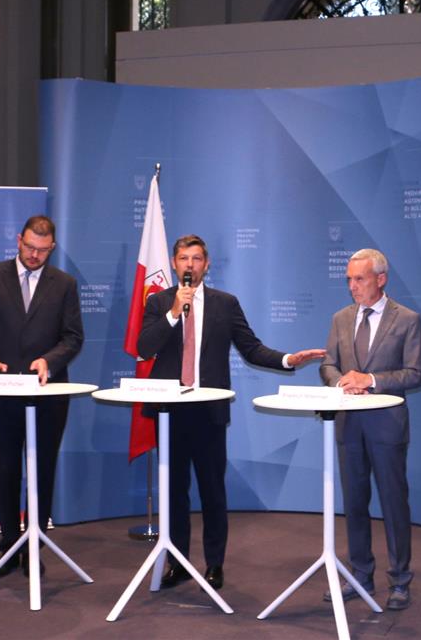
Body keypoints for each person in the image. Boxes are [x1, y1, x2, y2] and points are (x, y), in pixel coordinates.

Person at [137, 234, 324, 591]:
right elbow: (144, 348)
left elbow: (251, 348)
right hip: (169, 412)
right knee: (174, 492)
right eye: (183, 259)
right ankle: (177, 562)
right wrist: (174, 313)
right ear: (174, 264)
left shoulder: (225, 304)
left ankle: (214, 564)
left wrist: (288, 359)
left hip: (208, 412)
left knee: (212, 491)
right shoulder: (158, 301)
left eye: (196, 259)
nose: (190, 265)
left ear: (206, 265)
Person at [0, 215, 84, 578]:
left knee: (42, 470)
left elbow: (73, 337)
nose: (34, 255)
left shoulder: (64, 284)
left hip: (48, 393)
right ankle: (8, 545)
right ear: (18, 240)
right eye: (30, 247)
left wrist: (49, 360)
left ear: (52, 248)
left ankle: (34, 547)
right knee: (6, 470)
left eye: (43, 250)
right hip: (1, 391)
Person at [320, 248, 421, 610]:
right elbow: (328, 365)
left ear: (381, 279)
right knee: (354, 503)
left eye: (359, 279)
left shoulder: (407, 319)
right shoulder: (340, 318)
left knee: (394, 503)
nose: (352, 286)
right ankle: (360, 576)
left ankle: (400, 580)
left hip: (387, 427)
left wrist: (372, 380)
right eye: (349, 279)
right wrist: (342, 382)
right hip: (348, 426)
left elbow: (415, 374)